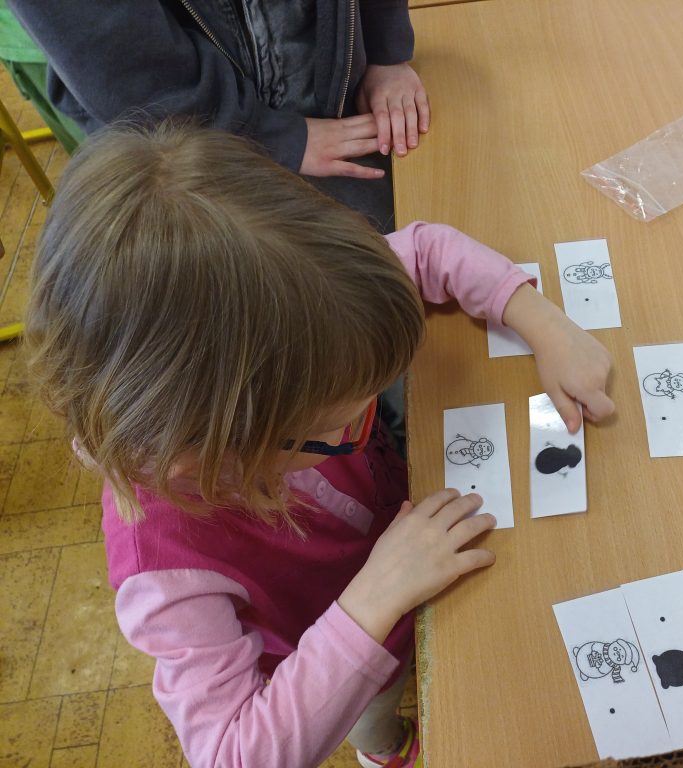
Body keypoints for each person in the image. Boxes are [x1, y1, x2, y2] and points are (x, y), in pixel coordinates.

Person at [24, 120, 614, 768]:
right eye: (341, 427)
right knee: (374, 713)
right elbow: (231, 755)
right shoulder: (164, 570)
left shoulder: (290, 307)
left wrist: (543, 323)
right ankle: (383, 750)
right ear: (221, 447)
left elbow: (425, 249)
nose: (359, 431)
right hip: (343, 660)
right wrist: (374, 599)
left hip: (416, 561)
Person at [7, 0, 427, 230]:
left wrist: (385, 47)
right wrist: (270, 136)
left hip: (323, 106)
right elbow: (121, 63)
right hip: (185, 140)